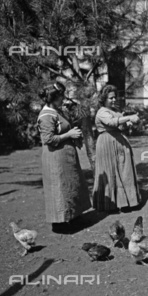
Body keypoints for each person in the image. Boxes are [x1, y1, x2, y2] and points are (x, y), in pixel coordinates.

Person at [37, 82, 91, 232]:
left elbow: (63, 128)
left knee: (71, 185)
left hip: (66, 156)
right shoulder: (46, 115)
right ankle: (60, 223)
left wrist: (74, 133)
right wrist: (69, 134)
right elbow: (48, 139)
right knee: (59, 189)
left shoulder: (57, 111)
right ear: (54, 97)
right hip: (56, 159)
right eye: (61, 95)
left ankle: (73, 216)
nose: (64, 98)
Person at [92, 85, 141, 212]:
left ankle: (126, 202)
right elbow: (112, 122)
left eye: (115, 97)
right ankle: (111, 203)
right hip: (107, 144)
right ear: (104, 98)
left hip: (118, 143)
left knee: (123, 170)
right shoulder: (102, 112)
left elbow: (119, 124)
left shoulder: (115, 111)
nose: (114, 100)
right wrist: (129, 117)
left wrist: (127, 123)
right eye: (111, 98)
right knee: (110, 172)